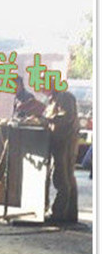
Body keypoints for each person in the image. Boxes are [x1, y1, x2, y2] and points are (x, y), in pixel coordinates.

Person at [43, 87, 79, 223]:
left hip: (65, 144)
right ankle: (69, 214)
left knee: (62, 179)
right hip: (59, 143)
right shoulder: (53, 100)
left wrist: (47, 119)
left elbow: (66, 117)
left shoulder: (64, 97)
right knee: (66, 178)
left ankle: (60, 214)